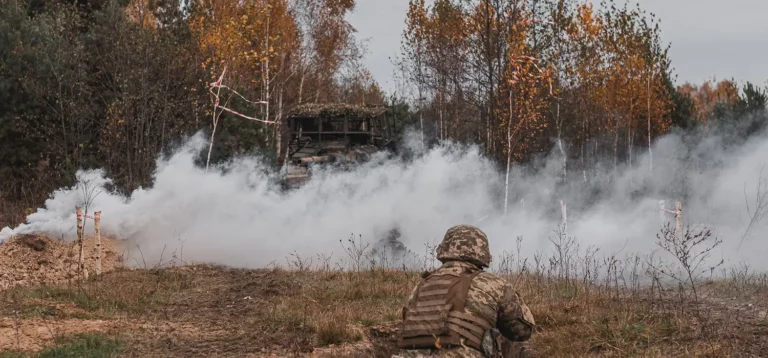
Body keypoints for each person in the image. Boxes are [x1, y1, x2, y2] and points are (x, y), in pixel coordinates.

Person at [392, 224, 535, 358]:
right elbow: (522, 331)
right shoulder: (494, 284)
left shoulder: (423, 284)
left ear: (445, 249)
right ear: (482, 252)